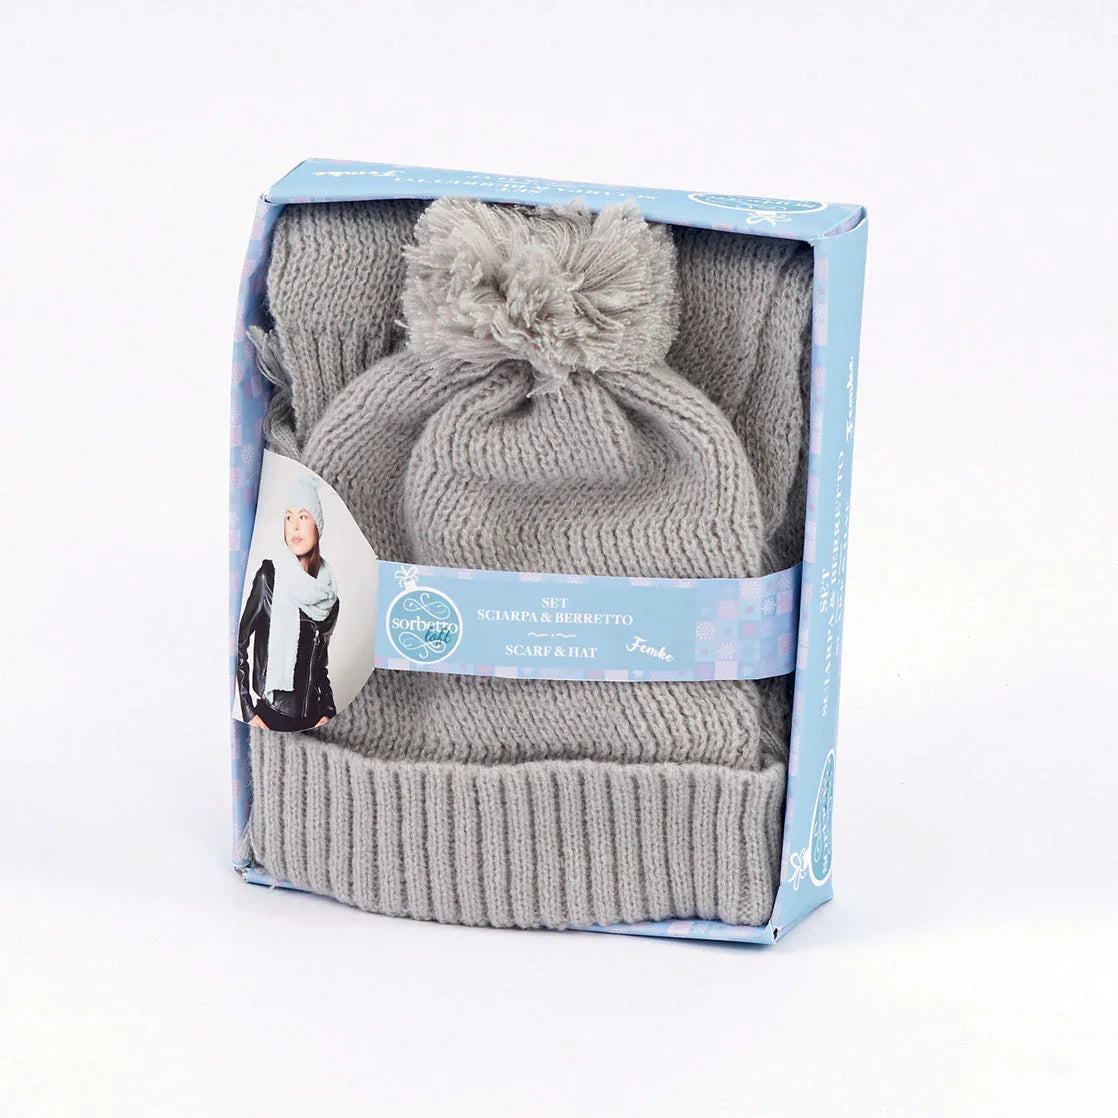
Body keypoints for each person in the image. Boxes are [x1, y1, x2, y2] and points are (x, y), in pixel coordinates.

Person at [237, 476, 339, 732]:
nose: (294, 527)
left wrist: (328, 710)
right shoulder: (268, 577)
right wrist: (247, 709)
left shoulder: (328, 597)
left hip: (314, 719)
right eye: (289, 518)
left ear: (317, 526)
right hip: (271, 716)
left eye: (303, 517)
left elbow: (319, 665)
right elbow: (237, 643)